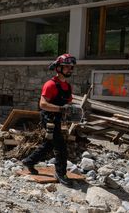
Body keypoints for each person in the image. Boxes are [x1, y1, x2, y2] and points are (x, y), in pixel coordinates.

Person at [22, 54, 77, 187]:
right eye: (67, 67)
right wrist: (60, 109)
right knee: (61, 147)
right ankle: (60, 173)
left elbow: (68, 104)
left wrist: (72, 112)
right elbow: (43, 104)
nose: (70, 69)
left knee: (49, 144)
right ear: (58, 68)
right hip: (49, 119)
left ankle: (29, 161)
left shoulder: (68, 87)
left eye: (71, 67)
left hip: (57, 118)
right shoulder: (50, 84)